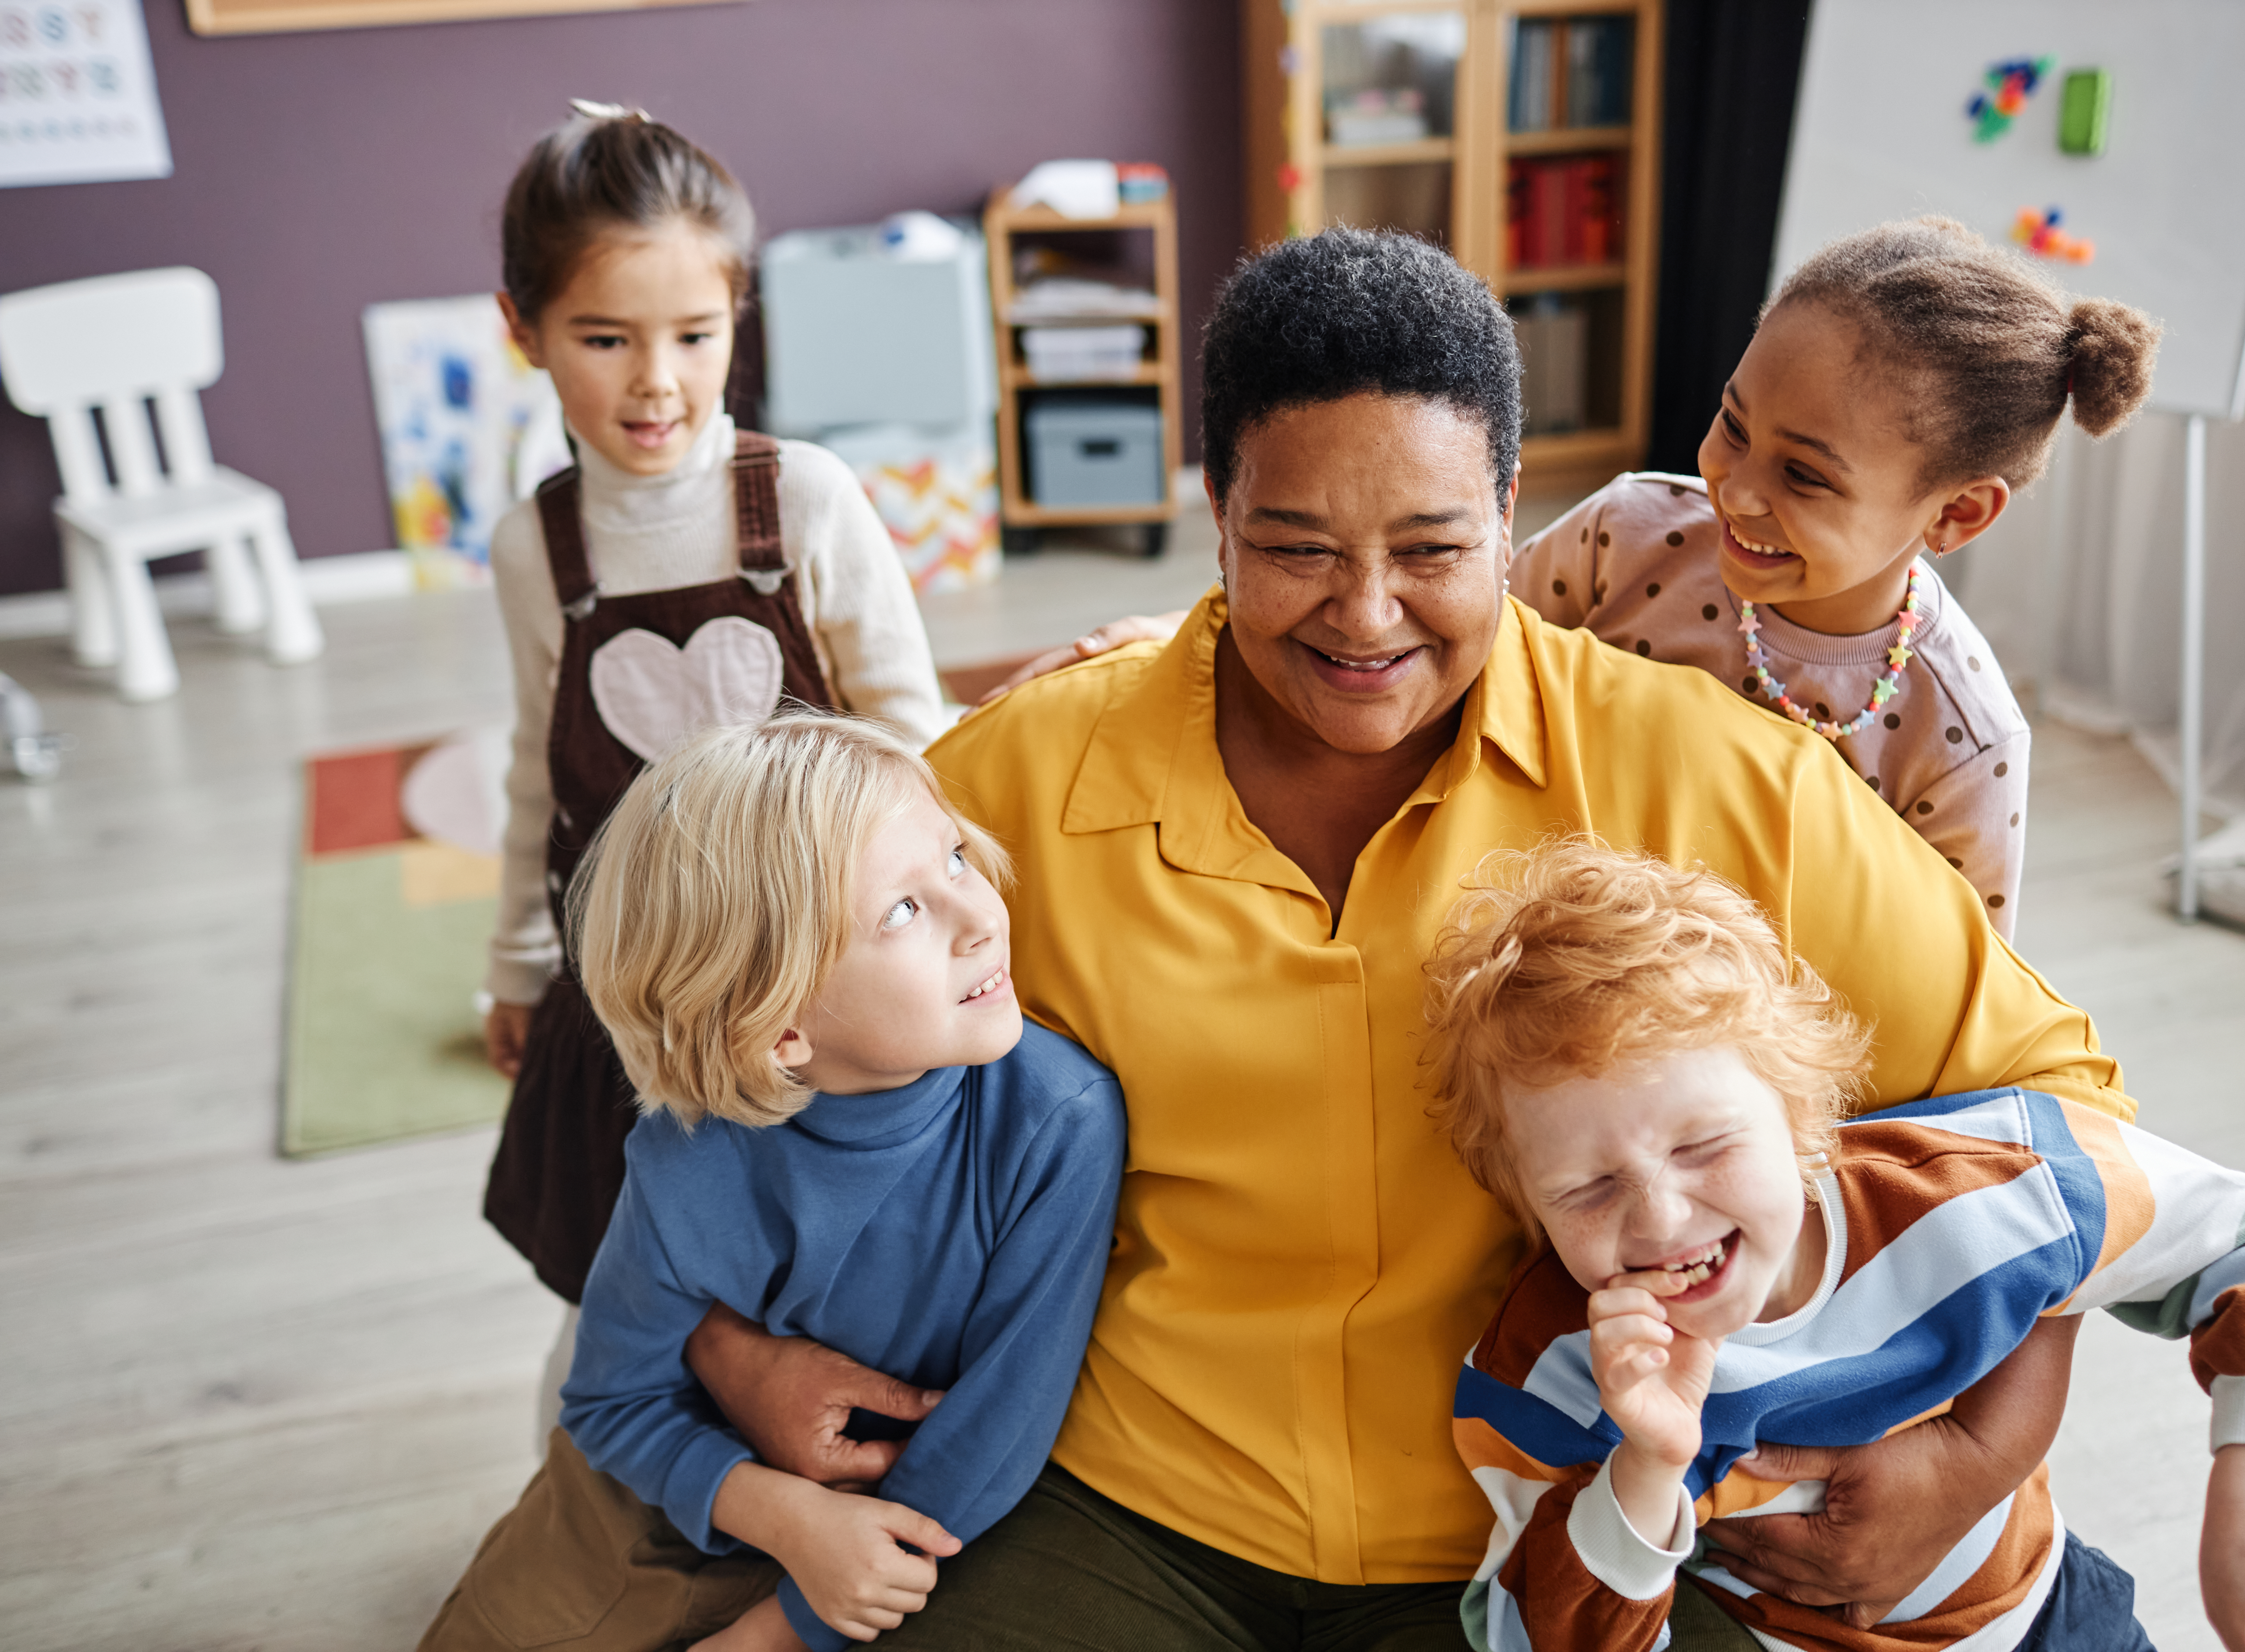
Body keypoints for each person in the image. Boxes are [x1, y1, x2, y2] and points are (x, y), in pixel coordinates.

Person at [674, 227, 2141, 1648]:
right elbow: (738, 1059)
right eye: (1294, 547)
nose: (1366, 616)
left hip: (1555, 1520)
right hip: (1120, 1506)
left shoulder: (1723, 781)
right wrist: (729, 1352)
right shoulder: (1017, 776)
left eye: (1433, 550)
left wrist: (1981, 1455)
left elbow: (2066, 1118)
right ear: (1216, 508)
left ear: (1514, 515)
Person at [1427, 841, 2245, 1652]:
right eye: (1589, 1188)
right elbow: (1525, 1630)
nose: (1661, 1220)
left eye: (1703, 1145)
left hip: (2054, 1616)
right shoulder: (1551, 1365)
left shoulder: (1971, 1189)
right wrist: (1649, 1464)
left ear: (1800, 1116)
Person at [422, 712, 1126, 1652]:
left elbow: (996, 1438)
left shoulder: (1059, 1120)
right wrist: (783, 1516)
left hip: (904, 1540)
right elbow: (608, 1400)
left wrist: (784, 1629)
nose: (979, 916)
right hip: (677, 1496)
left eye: (955, 858)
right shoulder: (686, 1156)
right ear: (779, 1027)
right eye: (903, 912)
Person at [473, 105, 946, 1386]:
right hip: (626, 998)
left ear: (742, 316)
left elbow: (911, 741)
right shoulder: (537, 549)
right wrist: (519, 965)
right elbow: (538, 772)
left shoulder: (802, 500)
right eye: (604, 338)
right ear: (522, 331)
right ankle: (616, 1471)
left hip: (812, 981)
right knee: (627, 1268)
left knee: (818, 1271)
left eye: (696, 335)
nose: (657, 383)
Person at [1511, 220, 2160, 937]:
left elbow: (1960, 989)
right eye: (1734, 424)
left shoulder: (1964, 737)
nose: (1739, 490)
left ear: (1959, 512)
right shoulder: (1622, 537)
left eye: (1803, 474)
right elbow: (1480, 688)